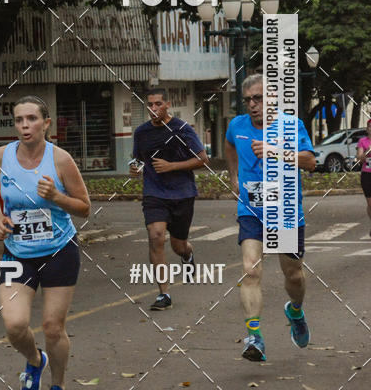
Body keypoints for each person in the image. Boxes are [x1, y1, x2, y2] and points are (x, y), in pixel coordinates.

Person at [0, 95, 90, 390]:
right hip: (18, 253)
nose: (25, 126)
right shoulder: (1, 156)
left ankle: (58, 388)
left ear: (46, 123)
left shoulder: (60, 160)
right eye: (19, 120)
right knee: (15, 325)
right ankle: (35, 360)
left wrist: (56, 196)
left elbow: (84, 207)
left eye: (31, 119)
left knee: (52, 327)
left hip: (59, 250)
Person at [224, 73, 316, 362]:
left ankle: (296, 310)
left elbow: (311, 162)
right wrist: (234, 175)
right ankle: (254, 337)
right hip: (251, 208)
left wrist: (276, 151)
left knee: (294, 275)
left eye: (259, 98)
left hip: (285, 210)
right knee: (250, 270)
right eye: (248, 99)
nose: (253, 104)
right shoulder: (236, 126)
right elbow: (229, 145)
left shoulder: (292, 126)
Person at [130, 88, 207, 310]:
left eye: (158, 104)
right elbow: (137, 160)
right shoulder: (141, 133)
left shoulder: (181, 129)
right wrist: (134, 169)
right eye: (150, 105)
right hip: (154, 193)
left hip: (183, 193)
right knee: (155, 236)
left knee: (178, 244)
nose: (153, 109)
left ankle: (188, 254)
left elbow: (203, 159)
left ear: (167, 105)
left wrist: (172, 166)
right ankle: (164, 294)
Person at [355, 119, 371, 236]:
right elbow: (360, 158)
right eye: (369, 127)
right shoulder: (362, 141)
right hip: (367, 174)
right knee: (370, 204)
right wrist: (367, 151)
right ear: (367, 129)